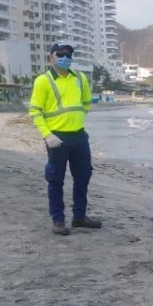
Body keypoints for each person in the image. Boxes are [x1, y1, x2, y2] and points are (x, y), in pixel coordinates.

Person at [29, 42, 100, 235]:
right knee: (55, 179)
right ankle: (58, 221)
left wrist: (76, 120)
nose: (65, 57)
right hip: (57, 138)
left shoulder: (80, 78)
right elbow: (35, 111)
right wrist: (47, 134)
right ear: (51, 57)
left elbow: (86, 102)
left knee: (83, 176)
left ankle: (79, 217)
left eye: (69, 54)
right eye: (60, 54)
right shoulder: (43, 81)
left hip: (78, 136)